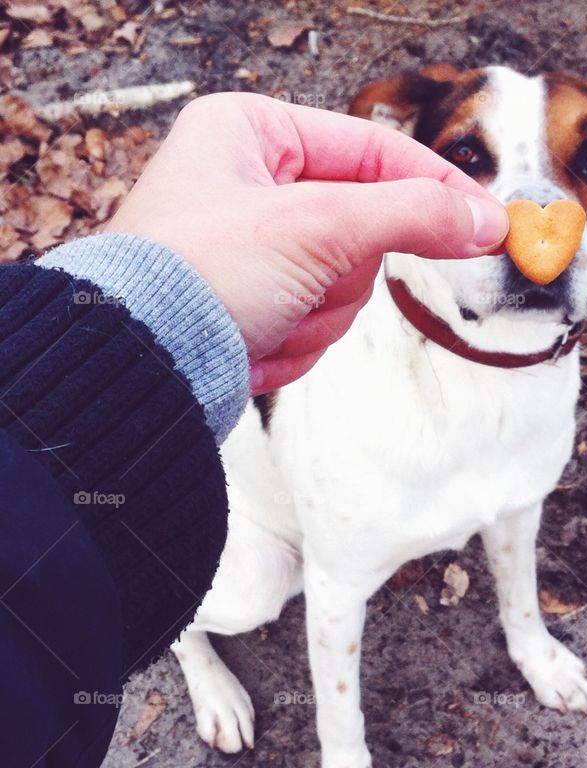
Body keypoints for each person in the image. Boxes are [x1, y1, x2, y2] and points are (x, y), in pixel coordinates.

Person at [0, 92, 508, 767]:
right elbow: (334, 584)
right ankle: (194, 649)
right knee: (258, 596)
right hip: (260, 525)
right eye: (471, 158)